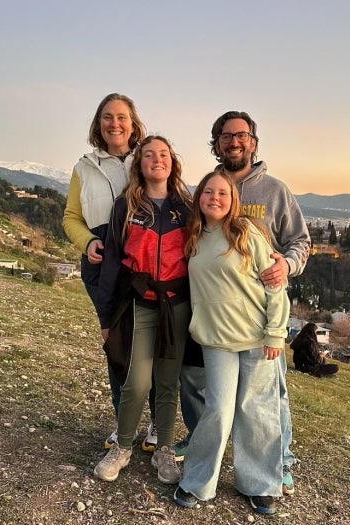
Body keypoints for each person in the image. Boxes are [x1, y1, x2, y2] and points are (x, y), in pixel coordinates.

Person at [177, 111, 311, 497]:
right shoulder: (198, 215)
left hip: (261, 319)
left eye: (241, 135)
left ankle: (274, 469)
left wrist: (286, 264)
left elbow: (300, 243)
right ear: (216, 143)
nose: (233, 141)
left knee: (264, 405)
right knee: (215, 402)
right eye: (225, 135)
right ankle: (205, 469)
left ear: (253, 141)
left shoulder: (274, 192)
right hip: (216, 326)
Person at [173, 171, 289, 515]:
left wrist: (276, 333)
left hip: (257, 338)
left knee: (257, 411)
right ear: (199, 198)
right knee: (218, 411)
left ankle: (260, 484)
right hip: (216, 341)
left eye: (222, 193)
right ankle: (196, 481)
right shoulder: (192, 236)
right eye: (208, 192)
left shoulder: (247, 233)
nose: (215, 197)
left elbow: (274, 286)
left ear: (233, 199)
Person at [92, 136, 193, 485]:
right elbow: (112, 263)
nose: (156, 160)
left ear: (172, 162)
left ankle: (164, 448)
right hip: (138, 304)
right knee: (136, 383)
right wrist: (106, 317)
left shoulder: (186, 207)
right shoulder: (126, 206)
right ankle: (122, 446)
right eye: (148, 155)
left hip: (177, 305)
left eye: (163, 154)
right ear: (140, 164)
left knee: (167, 382)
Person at [62, 93, 157, 453]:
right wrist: (87, 242)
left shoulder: (148, 157)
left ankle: (153, 424)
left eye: (121, 117)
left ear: (134, 123)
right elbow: (71, 217)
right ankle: (123, 423)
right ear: (98, 123)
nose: (114, 123)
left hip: (145, 263)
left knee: (151, 345)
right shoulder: (84, 167)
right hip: (103, 265)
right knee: (116, 346)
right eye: (107, 117)